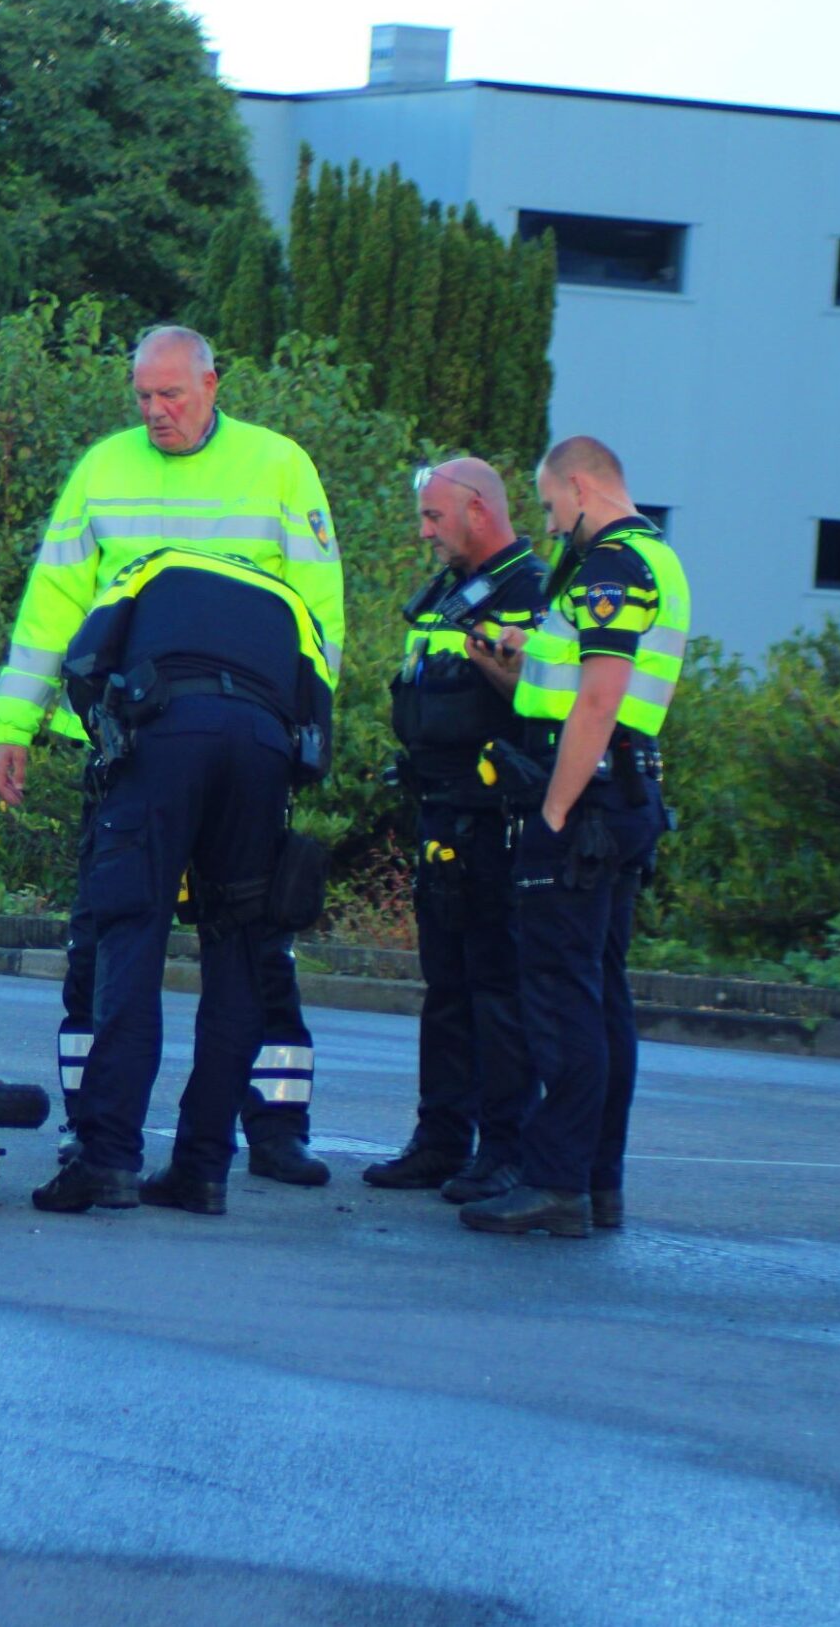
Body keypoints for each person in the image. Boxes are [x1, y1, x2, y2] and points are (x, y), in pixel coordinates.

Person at [0, 326, 344, 1186]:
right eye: (143, 396)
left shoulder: (278, 464)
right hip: (125, 744)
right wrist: (14, 720)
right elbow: (53, 607)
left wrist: (310, 732)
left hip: (224, 742)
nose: (155, 412)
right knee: (106, 949)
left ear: (213, 384)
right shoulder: (104, 469)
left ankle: (269, 1128)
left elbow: (322, 614)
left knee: (242, 950)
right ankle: (109, 1135)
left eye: (171, 395)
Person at [24, 543, 337, 1213]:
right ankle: (203, 1169)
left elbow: (84, 661)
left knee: (131, 936)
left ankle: (108, 1160)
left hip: (167, 731)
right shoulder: (291, 604)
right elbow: (320, 729)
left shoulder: (153, 565)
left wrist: (112, 750)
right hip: (262, 748)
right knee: (240, 954)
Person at [459, 436, 690, 1237]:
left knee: (560, 995)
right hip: (622, 793)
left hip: (587, 801)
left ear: (583, 487)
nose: (552, 527)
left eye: (553, 507)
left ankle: (557, 1181)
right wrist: (507, 658)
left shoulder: (613, 566)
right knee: (600, 993)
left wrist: (554, 812)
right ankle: (595, 1180)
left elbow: (596, 702)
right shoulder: (650, 560)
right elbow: (564, 685)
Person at [362, 458, 548, 1201]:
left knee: (497, 989)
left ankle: (504, 1149)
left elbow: (539, 699)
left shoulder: (530, 590)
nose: (425, 532)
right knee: (445, 986)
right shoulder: (449, 593)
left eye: (435, 517)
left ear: (478, 509)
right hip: (441, 812)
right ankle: (441, 1139)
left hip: (494, 819)